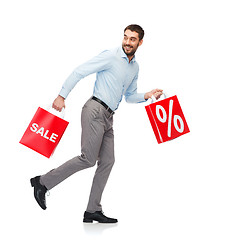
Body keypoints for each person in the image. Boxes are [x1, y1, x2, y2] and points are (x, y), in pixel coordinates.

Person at [30, 24, 163, 224]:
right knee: (88, 159)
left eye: (132, 39)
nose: (127, 42)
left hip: (109, 117)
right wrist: (61, 96)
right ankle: (42, 182)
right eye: (125, 37)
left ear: (140, 42)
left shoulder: (135, 67)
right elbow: (79, 71)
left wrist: (147, 95)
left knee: (108, 161)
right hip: (94, 110)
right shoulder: (110, 56)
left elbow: (129, 97)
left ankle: (92, 210)